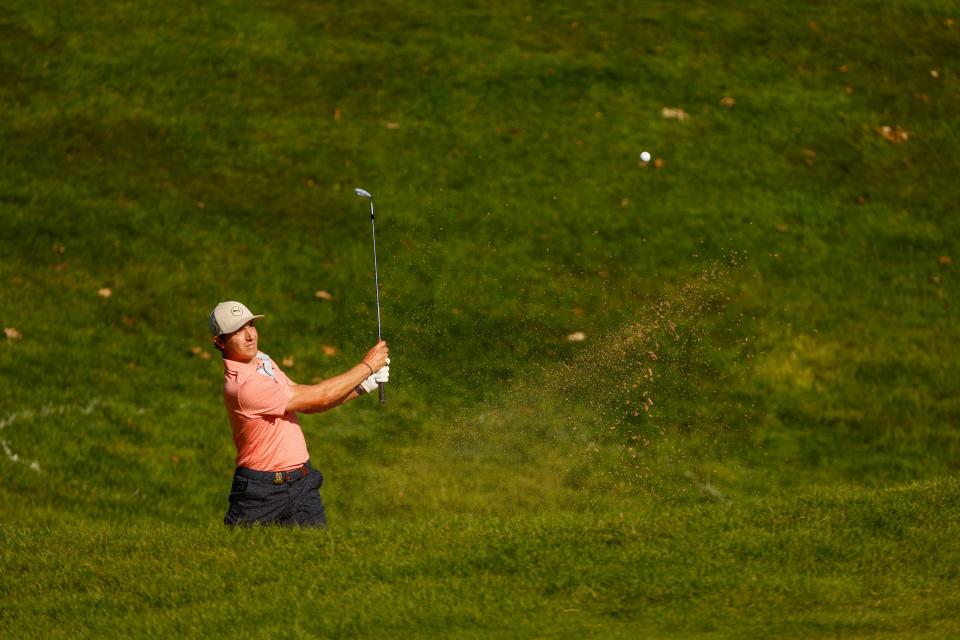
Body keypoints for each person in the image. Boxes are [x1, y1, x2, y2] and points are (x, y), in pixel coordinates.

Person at [209, 300, 389, 527]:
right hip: (260, 493)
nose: (249, 336)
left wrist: (363, 386)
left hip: (302, 482)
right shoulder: (243, 386)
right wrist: (367, 365)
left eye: (251, 325)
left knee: (318, 556)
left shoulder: (262, 360)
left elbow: (308, 405)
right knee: (238, 558)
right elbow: (319, 395)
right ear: (220, 342)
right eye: (237, 331)